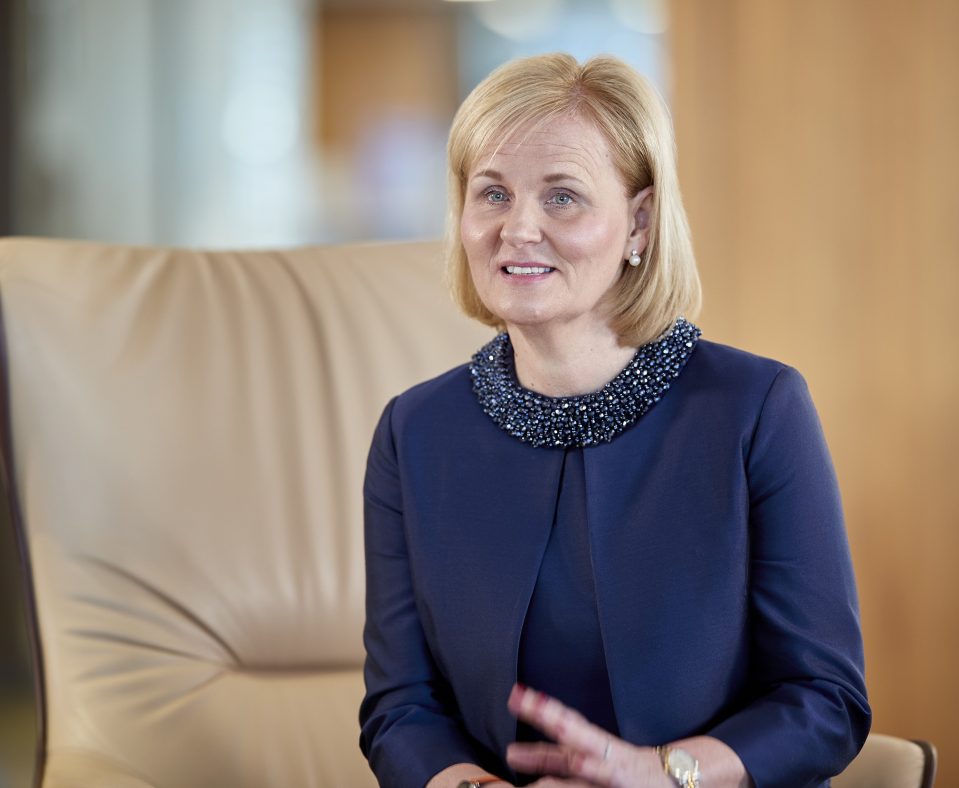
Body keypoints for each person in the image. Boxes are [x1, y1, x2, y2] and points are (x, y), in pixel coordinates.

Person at [359, 53, 870, 788]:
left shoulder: (758, 409)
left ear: (639, 223)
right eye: (493, 193)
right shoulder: (414, 433)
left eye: (562, 197)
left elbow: (826, 702)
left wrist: (661, 773)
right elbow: (401, 707)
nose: (518, 229)